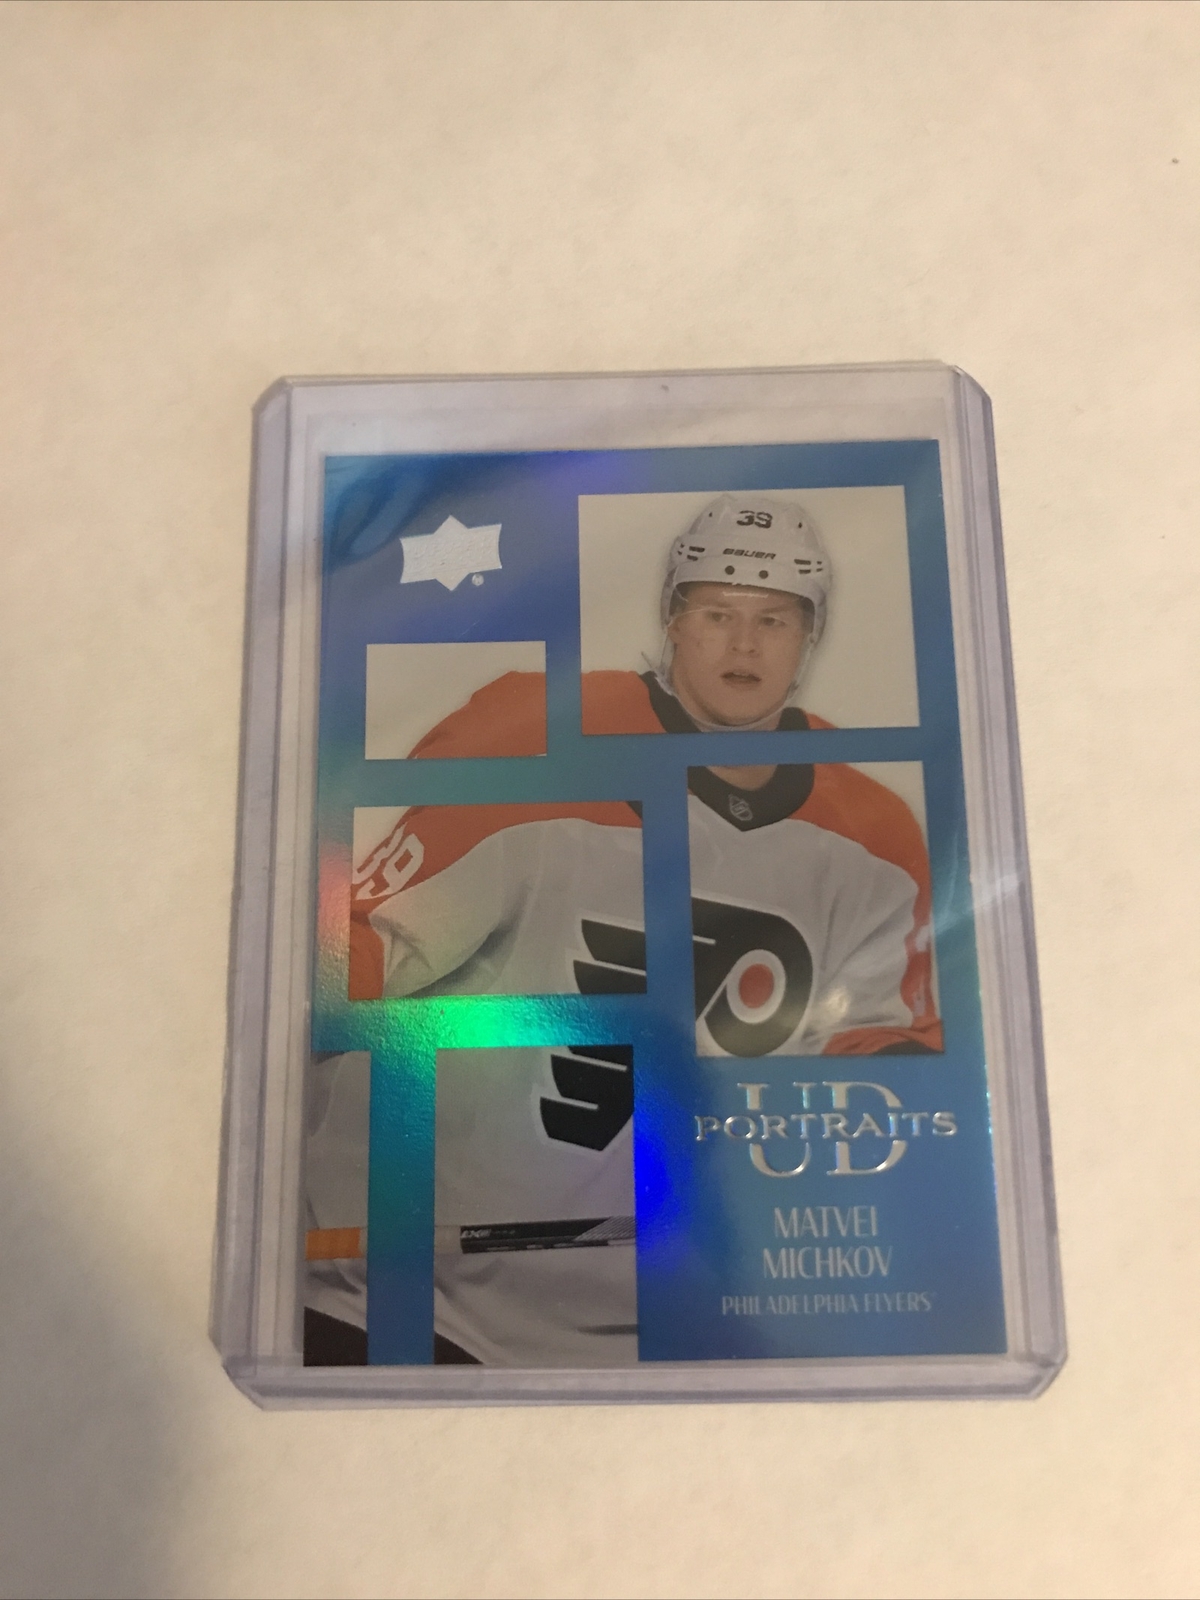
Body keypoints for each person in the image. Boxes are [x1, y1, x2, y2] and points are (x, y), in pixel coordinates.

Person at [308, 493, 939, 1367]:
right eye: (717, 613)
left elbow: (878, 1054)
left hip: (666, 1332)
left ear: (811, 637)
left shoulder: (874, 834)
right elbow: (359, 961)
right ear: (672, 619)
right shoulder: (534, 738)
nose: (744, 645)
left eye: (774, 619)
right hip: (415, 1301)